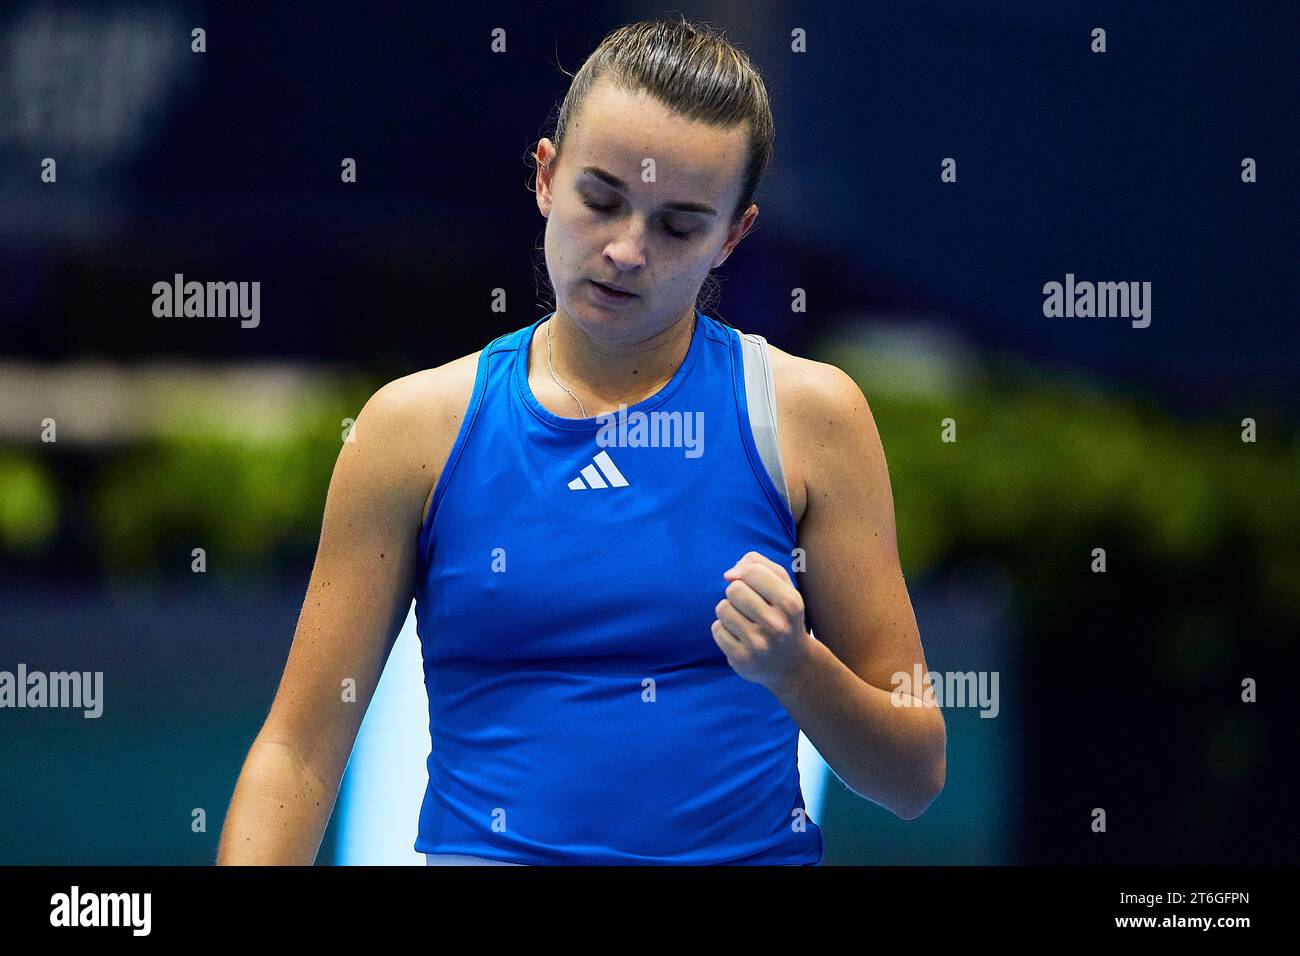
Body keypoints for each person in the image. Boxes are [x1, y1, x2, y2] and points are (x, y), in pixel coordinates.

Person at [217, 16, 945, 867]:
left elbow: (913, 775)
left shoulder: (813, 419)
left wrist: (797, 669)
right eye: (600, 199)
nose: (626, 250)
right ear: (546, 177)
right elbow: (298, 753)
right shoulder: (410, 430)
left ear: (733, 238)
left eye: (678, 226)